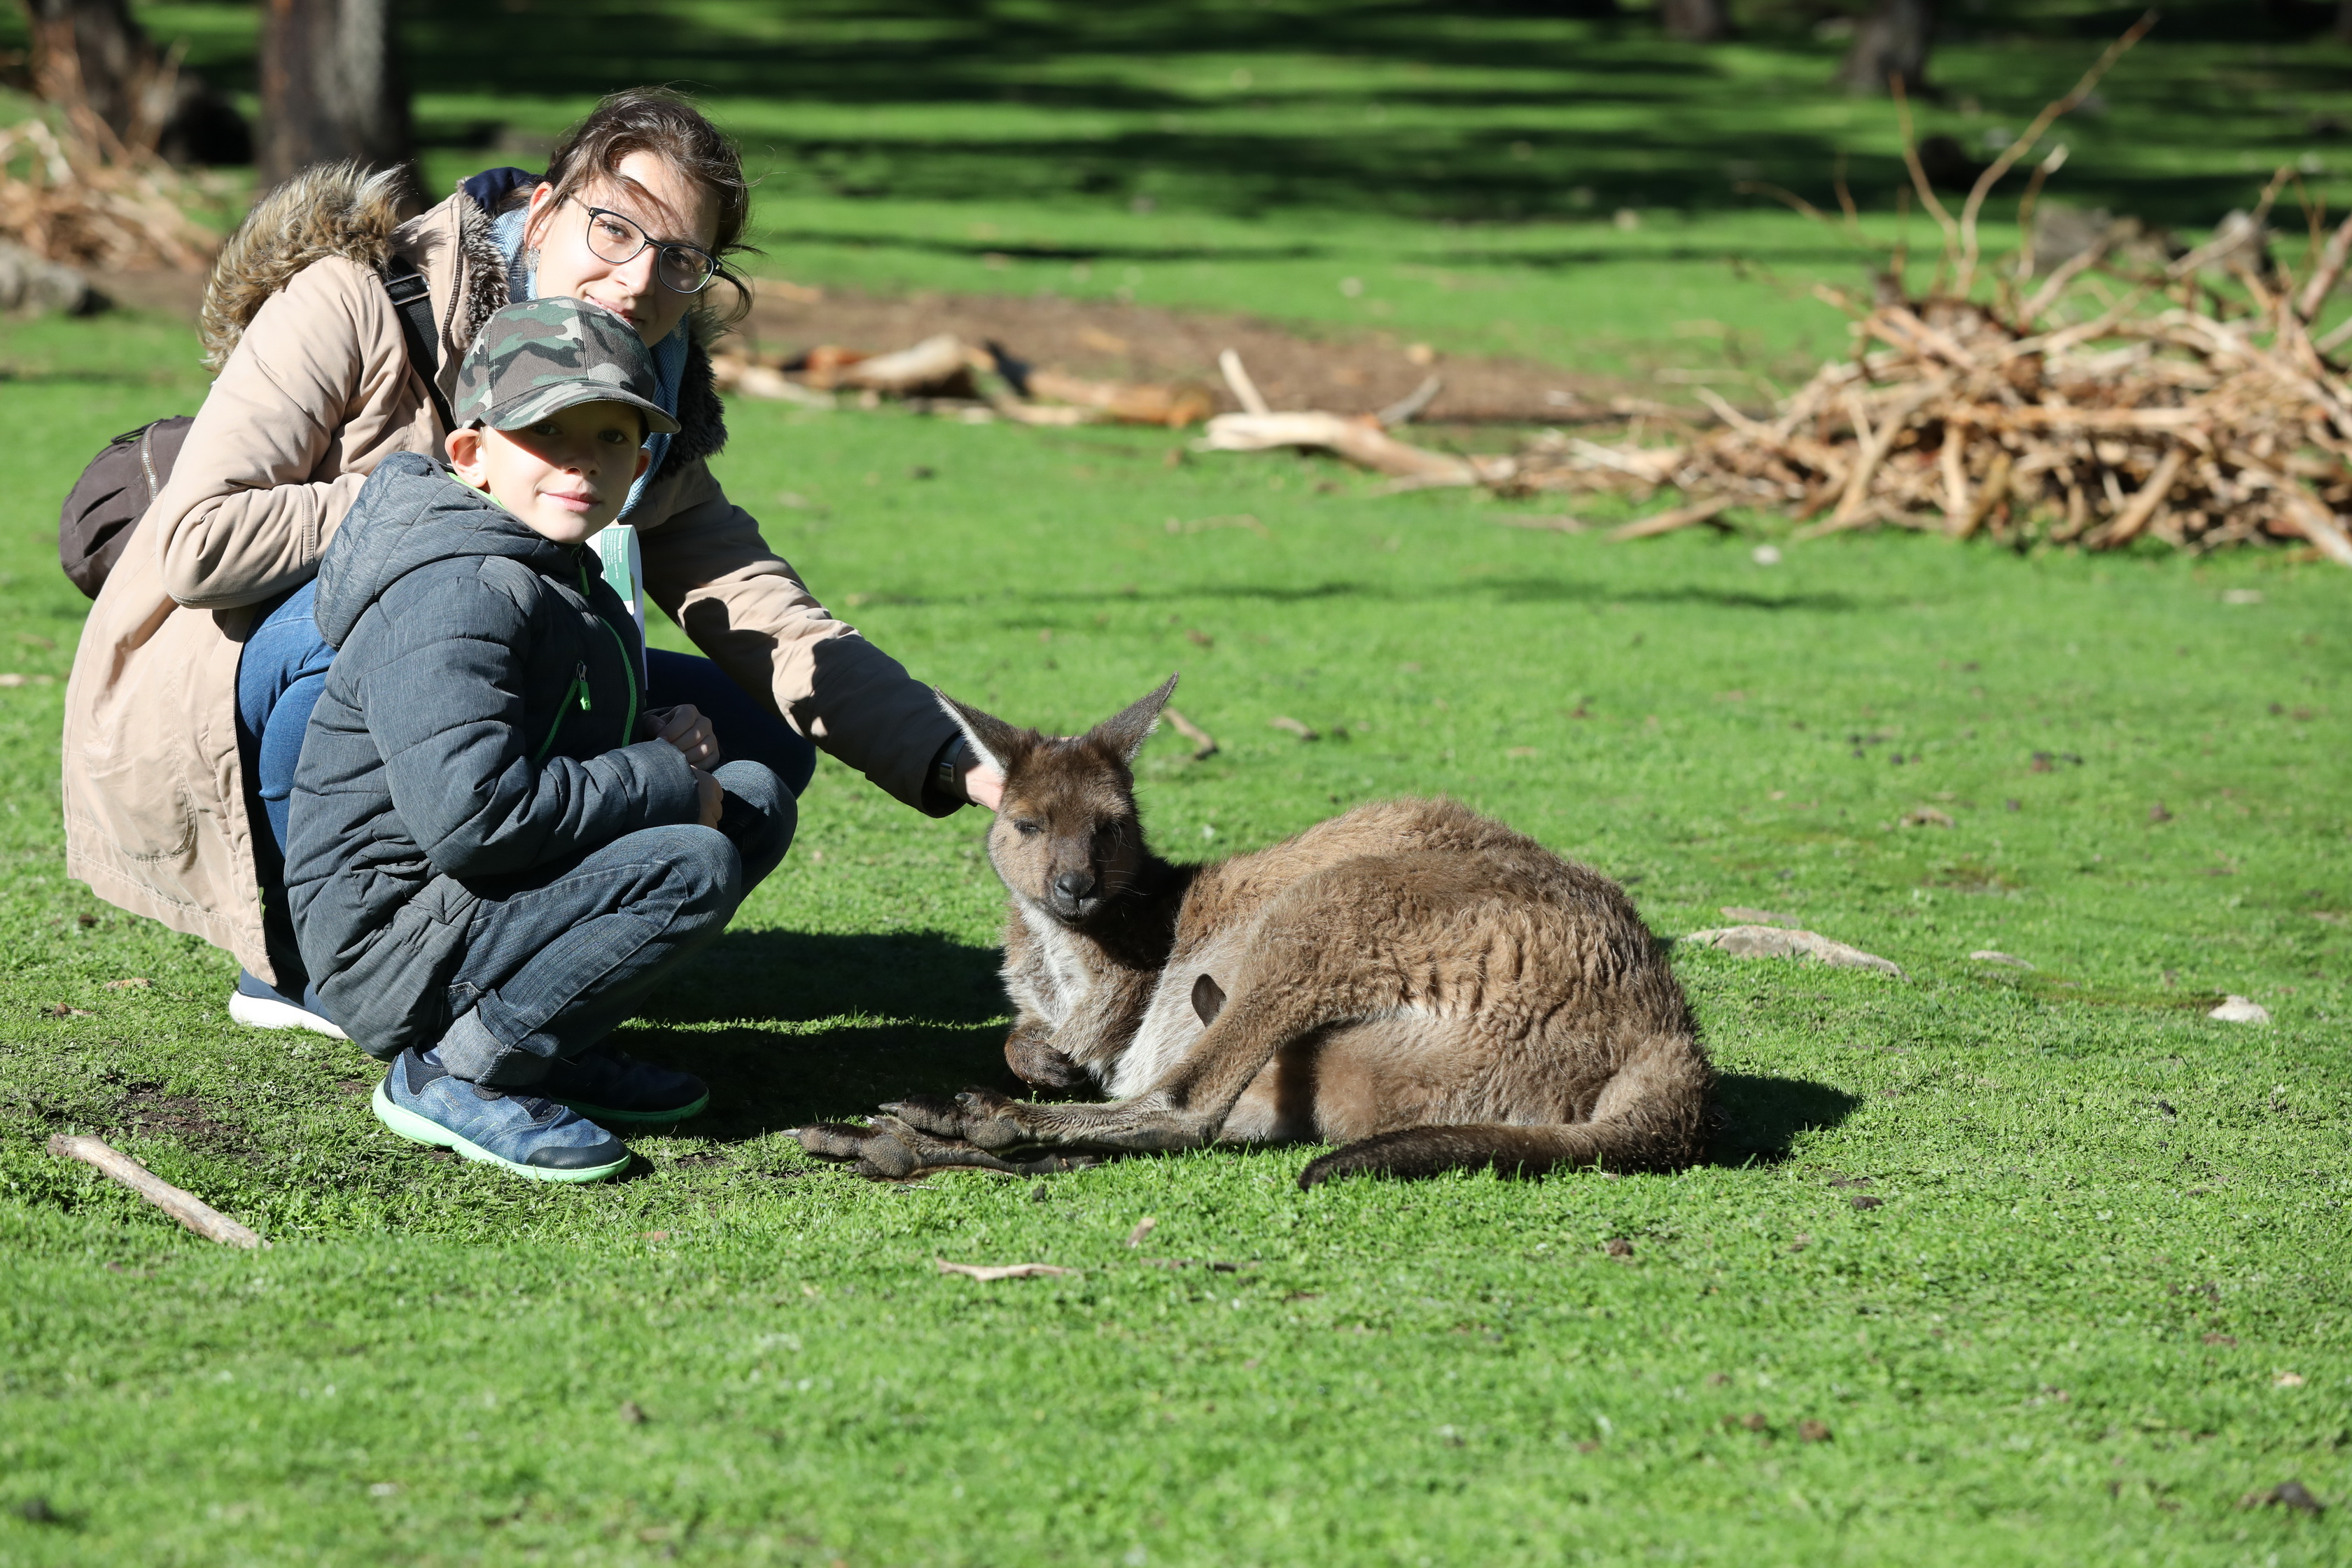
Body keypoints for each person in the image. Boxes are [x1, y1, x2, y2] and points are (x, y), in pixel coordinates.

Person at [61, 90, 1000, 1083]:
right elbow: (198, 545)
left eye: (681, 259)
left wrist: (955, 756)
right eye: (614, 227)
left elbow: (756, 601)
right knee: (406, 615)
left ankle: (499, 958)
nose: (638, 278)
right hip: (241, 675)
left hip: (461, 671)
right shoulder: (354, 299)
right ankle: (305, 955)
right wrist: (449, 496)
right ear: (545, 212)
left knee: (751, 738)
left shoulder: (647, 371)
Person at [286, 298, 774, 1180]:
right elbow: (474, 816)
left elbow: (544, 744)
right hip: (391, 934)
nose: (583, 461)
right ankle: (453, 1069)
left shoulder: (560, 569)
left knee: (751, 801)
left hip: (462, 899)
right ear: (471, 455)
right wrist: (663, 775)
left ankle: (545, 1043)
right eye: (548, 432)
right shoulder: (457, 589)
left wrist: (647, 734)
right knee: (692, 858)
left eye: (614, 438)